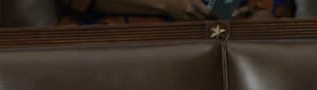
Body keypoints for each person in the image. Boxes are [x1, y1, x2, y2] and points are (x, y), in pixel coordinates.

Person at [55, 0, 293, 23]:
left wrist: (262, 15)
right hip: (121, 40)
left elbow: (278, 7)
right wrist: (165, 4)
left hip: (219, 36)